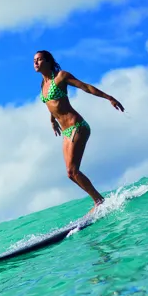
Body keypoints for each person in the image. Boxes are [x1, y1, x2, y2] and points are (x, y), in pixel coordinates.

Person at [34, 50, 125, 214]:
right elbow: (52, 104)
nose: (36, 63)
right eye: (34, 60)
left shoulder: (60, 77)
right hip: (66, 131)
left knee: (72, 170)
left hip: (77, 126)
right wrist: (52, 120)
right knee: (70, 174)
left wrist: (109, 97)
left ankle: (99, 201)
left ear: (48, 61)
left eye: (39, 60)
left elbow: (86, 87)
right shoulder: (43, 84)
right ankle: (99, 200)